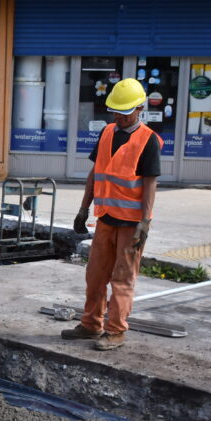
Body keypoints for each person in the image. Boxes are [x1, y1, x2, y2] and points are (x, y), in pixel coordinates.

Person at [65, 78, 160, 351]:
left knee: (122, 278)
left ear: (140, 108)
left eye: (124, 111)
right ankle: (90, 325)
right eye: (115, 110)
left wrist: (146, 221)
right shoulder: (107, 132)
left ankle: (116, 331)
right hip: (105, 218)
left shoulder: (148, 140)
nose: (118, 115)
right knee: (95, 275)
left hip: (131, 225)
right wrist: (83, 208)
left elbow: (150, 183)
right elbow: (95, 174)